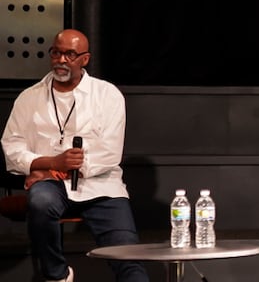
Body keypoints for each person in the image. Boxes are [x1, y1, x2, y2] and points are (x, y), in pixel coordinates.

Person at [1, 29, 148, 282]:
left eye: (70, 54)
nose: (61, 60)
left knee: (128, 259)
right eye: (56, 52)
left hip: (101, 186)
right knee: (40, 200)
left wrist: (61, 167)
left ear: (85, 59)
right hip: (52, 185)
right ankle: (57, 275)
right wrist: (50, 164)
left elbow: (110, 152)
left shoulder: (107, 95)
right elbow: (12, 148)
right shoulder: (30, 98)